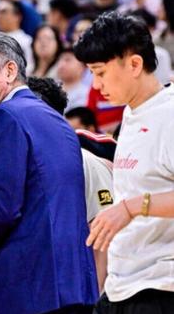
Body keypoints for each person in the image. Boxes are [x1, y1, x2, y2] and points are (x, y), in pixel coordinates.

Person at [0, 31, 98, 314]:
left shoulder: (6, 115)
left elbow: (2, 210)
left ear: (10, 70)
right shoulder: (57, 120)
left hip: (30, 293)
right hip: (75, 287)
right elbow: (36, 208)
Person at [74, 12, 174, 314]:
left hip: (160, 288)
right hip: (121, 286)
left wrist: (131, 207)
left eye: (101, 72)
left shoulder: (169, 115)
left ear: (134, 64)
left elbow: (132, 204)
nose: (96, 85)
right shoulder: (132, 112)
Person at [26, 76, 115, 293]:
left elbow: (101, 239)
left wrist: (95, 299)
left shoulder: (84, 162)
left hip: (76, 291)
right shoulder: (12, 164)